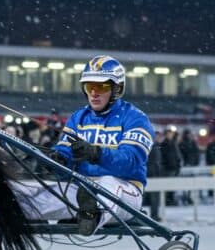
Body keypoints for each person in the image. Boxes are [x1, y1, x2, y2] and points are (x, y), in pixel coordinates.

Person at [12, 56, 154, 236]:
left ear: (116, 89)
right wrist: (58, 159)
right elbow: (64, 152)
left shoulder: (136, 119)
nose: (94, 93)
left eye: (101, 87)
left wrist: (96, 154)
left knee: (107, 184)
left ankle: (92, 211)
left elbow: (130, 161)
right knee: (21, 192)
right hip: (81, 190)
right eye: (89, 87)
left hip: (125, 191)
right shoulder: (78, 118)